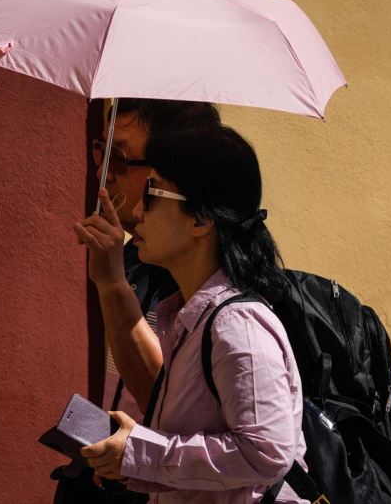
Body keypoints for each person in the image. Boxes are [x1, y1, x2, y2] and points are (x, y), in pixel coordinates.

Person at [72, 126, 308, 503]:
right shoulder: (192, 317)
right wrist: (133, 447)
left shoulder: (237, 325)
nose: (135, 212)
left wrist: (141, 452)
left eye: (152, 194)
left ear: (201, 220)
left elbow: (266, 453)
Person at [93, 99, 221, 424]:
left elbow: (170, 410)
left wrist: (111, 286)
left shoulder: (208, 284)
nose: (102, 173)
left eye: (118, 158)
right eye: (101, 152)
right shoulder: (132, 256)